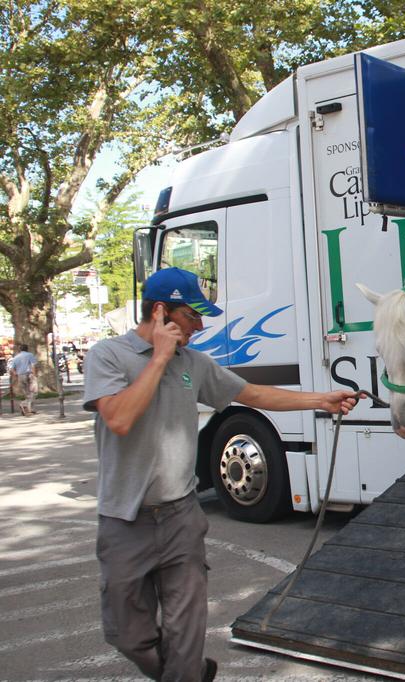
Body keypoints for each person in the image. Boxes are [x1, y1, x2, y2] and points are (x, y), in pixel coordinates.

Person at [83, 267, 360, 682]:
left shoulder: (194, 362)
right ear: (160, 312)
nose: (200, 325)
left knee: (184, 633)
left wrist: (322, 399)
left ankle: (186, 673)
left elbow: (252, 394)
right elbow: (119, 419)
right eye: (192, 316)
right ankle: (190, 673)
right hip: (126, 519)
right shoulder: (107, 356)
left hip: (180, 518)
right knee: (126, 634)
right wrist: (159, 358)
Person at [10, 343, 38, 416]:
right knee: (34, 391)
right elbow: (33, 365)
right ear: (27, 349)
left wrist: (16, 375)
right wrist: (34, 375)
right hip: (29, 375)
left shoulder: (16, 357)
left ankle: (30, 409)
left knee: (27, 393)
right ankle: (24, 404)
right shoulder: (30, 355)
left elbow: (12, 369)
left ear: (20, 350)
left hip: (20, 376)